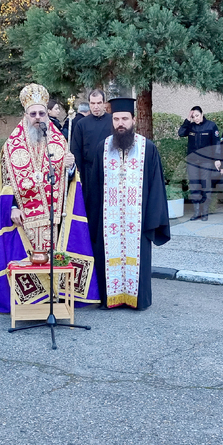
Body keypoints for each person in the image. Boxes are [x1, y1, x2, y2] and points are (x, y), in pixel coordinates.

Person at [0, 83, 97, 313]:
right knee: (28, 260)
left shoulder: (58, 140)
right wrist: (11, 209)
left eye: (41, 113)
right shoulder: (11, 145)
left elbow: (69, 181)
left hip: (53, 217)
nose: (38, 118)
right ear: (25, 115)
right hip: (25, 218)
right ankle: (29, 304)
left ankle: (55, 300)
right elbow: (5, 183)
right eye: (33, 114)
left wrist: (70, 167)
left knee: (53, 258)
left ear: (47, 114)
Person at [84, 97, 170, 310]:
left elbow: (156, 187)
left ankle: (137, 299)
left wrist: (152, 221)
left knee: (138, 259)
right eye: (116, 119)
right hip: (109, 222)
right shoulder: (102, 149)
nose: (120, 123)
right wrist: (92, 220)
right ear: (111, 121)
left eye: (124, 118)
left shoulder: (147, 149)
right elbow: (94, 188)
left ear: (133, 120)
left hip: (137, 222)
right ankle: (110, 298)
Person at [178, 106, 219, 221]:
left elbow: (216, 143)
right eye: (193, 116)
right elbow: (181, 133)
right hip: (192, 162)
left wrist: (217, 159)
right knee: (194, 186)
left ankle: (205, 212)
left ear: (202, 114)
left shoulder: (211, 126)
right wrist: (187, 120)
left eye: (197, 115)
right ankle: (197, 212)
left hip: (206, 161)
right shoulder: (190, 126)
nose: (195, 118)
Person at [69, 89, 111, 178]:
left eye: (99, 103)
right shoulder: (81, 124)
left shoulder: (113, 121)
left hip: (110, 170)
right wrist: (78, 173)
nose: (96, 107)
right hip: (88, 172)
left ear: (104, 103)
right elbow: (76, 149)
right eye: (92, 103)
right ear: (89, 104)